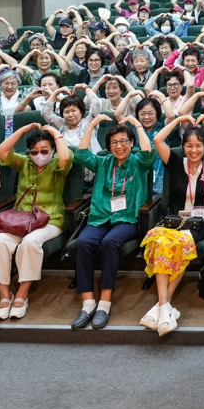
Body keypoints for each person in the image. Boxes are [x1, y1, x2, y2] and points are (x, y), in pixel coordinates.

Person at [140, 113, 204, 334]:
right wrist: (178, 119)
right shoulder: (174, 163)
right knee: (162, 243)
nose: (194, 150)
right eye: (189, 145)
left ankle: (161, 306)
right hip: (173, 223)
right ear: (183, 146)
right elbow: (158, 140)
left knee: (177, 245)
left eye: (199, 146)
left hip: (200, 226)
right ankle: (165, 307)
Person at [69, 115, 157, 330]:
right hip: (100, 217)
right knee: (83, 243)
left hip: (127, 219)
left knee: (110, 243)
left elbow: (148, 153)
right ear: (109, 146)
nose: (119, 146)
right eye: (114, 143)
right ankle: (88, 303)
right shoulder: (103, 161)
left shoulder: (138, 163)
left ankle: (104, 303)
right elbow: (80, 155)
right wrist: (90, 125)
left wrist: (136, 125)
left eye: (124, 141)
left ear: (131, 143)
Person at [0, 122, 72, 321]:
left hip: (49, 220)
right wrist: (23, 130)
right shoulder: (24, 162)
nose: (39, 155)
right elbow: (1, 151)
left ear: (52, 150)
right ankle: (4, 295)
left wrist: (53, 132)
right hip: (21, 220)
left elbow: (65, 157)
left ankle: (22, 293)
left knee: (30, 243)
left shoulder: (58, 164)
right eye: (34, 152)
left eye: (44, 151)